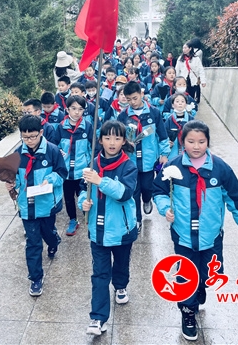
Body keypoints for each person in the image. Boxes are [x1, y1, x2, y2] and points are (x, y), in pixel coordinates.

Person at [152, 120, 238, 341]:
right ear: (183, 142)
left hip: (211, 234)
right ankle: (188, 314)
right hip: (183, 234)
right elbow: (159, 191)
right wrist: (165, 208)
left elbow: (235, 199)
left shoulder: (221, 169)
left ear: (208, 142)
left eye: (201, 141)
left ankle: (200, 287)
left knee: (208, 273)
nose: (196, 146)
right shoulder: (174, 166)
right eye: (191, 141)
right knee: (186, 275)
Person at [78, 120, 138, 336]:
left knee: (121, 265)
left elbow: (124, 194)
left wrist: (100, 180)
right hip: (98, 231)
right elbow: (83, 190)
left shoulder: (128, 166)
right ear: (100, 140)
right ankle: (98, 318)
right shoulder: (92, 164)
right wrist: (83, 203)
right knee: (100, 274)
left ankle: (120, 285)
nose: (112, 142)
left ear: (123, 141)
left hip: (122, 230)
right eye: (107, 138)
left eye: (117, 138)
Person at [6, 115, 67, 297]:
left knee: (48, 233)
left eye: (33, 136)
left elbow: (62, 173)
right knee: (33, 243)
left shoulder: (52, 151)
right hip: (27, 206)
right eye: (25, 137)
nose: (29, 141)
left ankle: (53, 241)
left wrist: (50, 179)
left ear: (41, 132)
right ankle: (35, 278)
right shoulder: (17, 155)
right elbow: (16, 178)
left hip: (47, 204)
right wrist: (11, 183)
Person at [117, 81, 170, 231]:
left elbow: (162, 135)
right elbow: (119, 137)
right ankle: (137, 220)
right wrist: (125, 143)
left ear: (141, 94)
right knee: (134, 191)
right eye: (129, 99)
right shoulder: (123, 116)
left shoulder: (154, 112)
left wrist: (164, 154)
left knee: (147, 187)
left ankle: (147, 200)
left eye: (135, 98)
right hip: (131, 160)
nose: (132, 102)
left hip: (149, 160)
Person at [55, 95, 94, 236]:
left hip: (82, 171)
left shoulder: (87, 127)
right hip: (66, 172)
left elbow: (93, 147)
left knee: (84, 195)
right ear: (67, 109)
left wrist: (91, 164)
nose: (77, 112)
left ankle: (88, 217)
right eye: (73, 108)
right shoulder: (61, 127)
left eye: (80, 109)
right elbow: (54, 145)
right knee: (69, 198)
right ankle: (73, 220)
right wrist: (58, 151)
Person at [164, 93, 195, 159]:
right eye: (177, 101)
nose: (180, 103)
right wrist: (167, 142)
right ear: (173, 105)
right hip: (172, 152)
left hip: (188, 152)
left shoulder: (191, 119)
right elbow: (164, 134)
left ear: (186, 104)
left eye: (182, 101)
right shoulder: (169, 120)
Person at [175, 38, 206, 104]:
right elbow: (177, 70)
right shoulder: (180, 58)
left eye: (185, 48)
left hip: (193, 80)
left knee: (191, 97)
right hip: (183, 80)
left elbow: (201, 69)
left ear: (190, 48)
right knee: (183, 97)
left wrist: (203, 81)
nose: (184, 49)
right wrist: (175, 81)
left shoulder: (196, 58)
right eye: (183, 48)